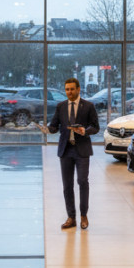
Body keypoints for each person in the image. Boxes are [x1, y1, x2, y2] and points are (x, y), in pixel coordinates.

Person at [46, 77, 99, 229]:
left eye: (72, 89)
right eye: (67, 89)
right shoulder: (61, 106)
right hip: (65, 150)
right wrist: (48, 129)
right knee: (67, 185)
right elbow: (54, 126)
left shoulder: (88, 106)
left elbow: (96, 127)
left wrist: (85, 131)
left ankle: (83, 215)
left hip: (82, 149)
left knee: (82, 181)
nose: (69, 92)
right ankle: (71, 217)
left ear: (78, 89)